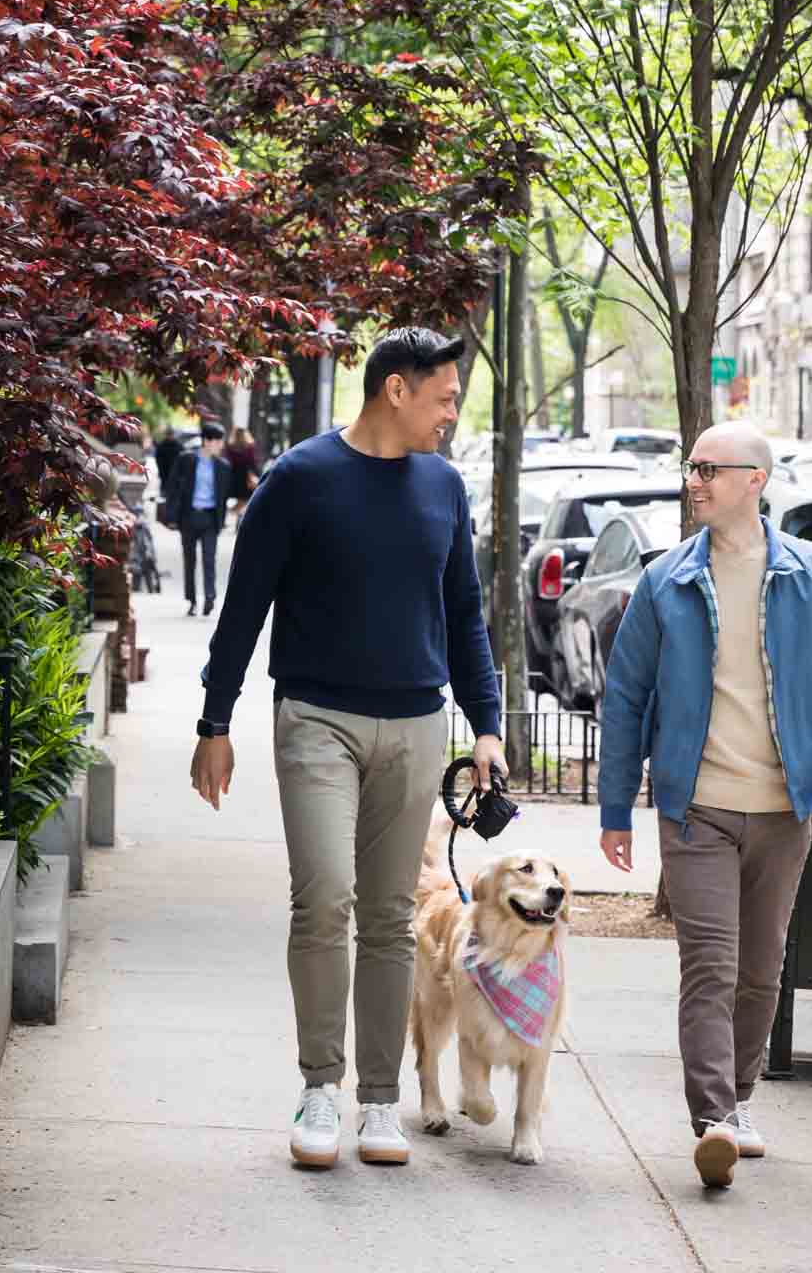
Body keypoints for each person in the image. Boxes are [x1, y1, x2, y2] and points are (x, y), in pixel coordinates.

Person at [189, 327, 506, 1171]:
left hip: (414, 724)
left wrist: (485, 724)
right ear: (394, 390)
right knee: (324, 900)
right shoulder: (299, 480)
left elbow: (465, 614)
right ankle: (319, 1087)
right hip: (316, 719)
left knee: (387, 920)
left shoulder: (442, 486)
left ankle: (379, 1102)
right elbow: (243, 608)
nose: (449, 414)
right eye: (441, 397)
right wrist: (213, 723)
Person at [599, 420, 812, 1190]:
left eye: (707, 469)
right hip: (697, 810)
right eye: (689, 467)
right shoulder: (666, 581)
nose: (692, 480)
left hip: (783, 809)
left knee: (760, 970)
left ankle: (742, 1099)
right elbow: (624, 699)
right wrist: (614, 808)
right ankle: (713, 1119)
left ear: (753, 481)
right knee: (710, 966)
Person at [165, 423, 231, 617]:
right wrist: (172, 515)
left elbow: (224, 496)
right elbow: (173, 487)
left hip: (210, 518)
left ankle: (210, 598)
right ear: (207, 441)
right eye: (218, 441)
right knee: (190, 560)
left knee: (209, 559)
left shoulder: (222, 466)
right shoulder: (186, 460)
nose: (221, 445)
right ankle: (192, 600)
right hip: (189, 516)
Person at [224, 424, 260, 518]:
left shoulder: (230, 446)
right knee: (245, 500)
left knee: (240, 500)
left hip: (234, 475)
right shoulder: (250, 446)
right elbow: (253, 461)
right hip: (246, 476)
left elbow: (228, 460)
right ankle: (236, 517)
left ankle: (233, 515)